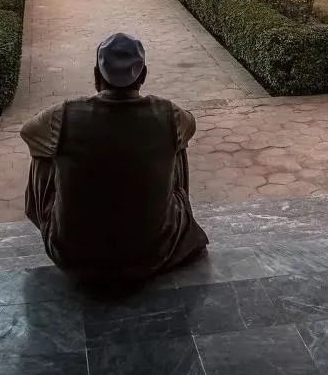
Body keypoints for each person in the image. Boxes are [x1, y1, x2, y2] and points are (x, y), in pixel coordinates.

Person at [20, 31, 208, 282]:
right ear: (143, 76)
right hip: (155, 252)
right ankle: (165, 220)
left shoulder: (64, 115)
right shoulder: (168, 113)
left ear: (97, 76)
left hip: (73, 254)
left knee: (44, 150)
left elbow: (27, 132)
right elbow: (191, 124)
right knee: (177, 141)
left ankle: (58, 221)